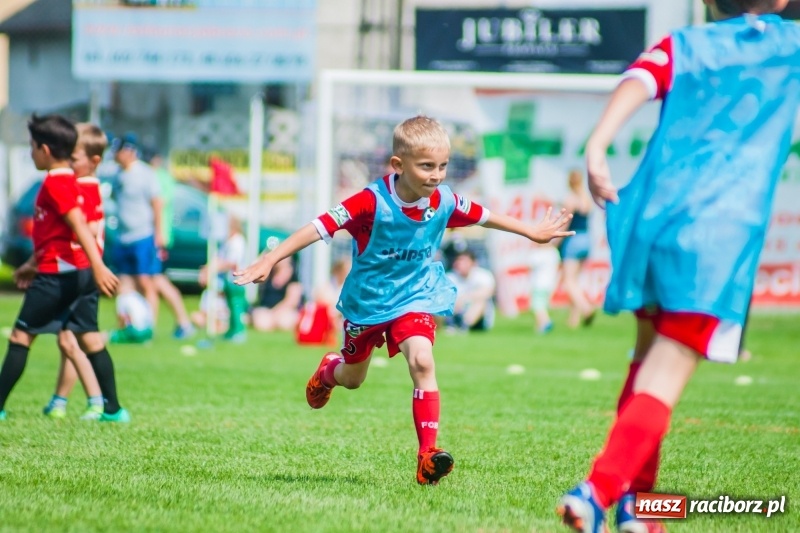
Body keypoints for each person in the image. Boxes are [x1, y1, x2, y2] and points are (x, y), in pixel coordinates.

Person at [557, 2, 800, 532]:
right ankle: (596, 490)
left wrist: (597, 147)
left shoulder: (687, 44)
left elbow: (639, 79)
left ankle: (641, 512)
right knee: (665, 375)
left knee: (645, 359)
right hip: (717, 231)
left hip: (650, 214)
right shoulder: (790, 46)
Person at [234, 115, 573, 485]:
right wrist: (271, 258)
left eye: (442, 166)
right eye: (427, 166)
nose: (437, 175)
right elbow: (318, 227)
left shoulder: (443, 200)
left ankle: (427, 455)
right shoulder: (370, 201)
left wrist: (531, 231)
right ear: (398, 165)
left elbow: (485, 216)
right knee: (353, 378)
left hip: (415, 297)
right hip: (368, 303)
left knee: (423, 361)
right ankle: (329, 372)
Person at [0, 114, 128, 422]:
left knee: (21, 337)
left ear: (44, 149)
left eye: (31, 147)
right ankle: (113, 409)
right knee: (90, 338)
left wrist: (98, 266)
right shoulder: (68, 181)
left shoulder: (58, 183)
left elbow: (80, 226)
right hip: (76, 270)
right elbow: (59, 233)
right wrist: (32, 263)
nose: (30, 153)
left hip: (60, 273)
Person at [40, 123, 111, 420]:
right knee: (70, 339)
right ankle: (62, 400)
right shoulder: (82, 184)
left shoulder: (85, 187)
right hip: (76, 269)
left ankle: (97, 401)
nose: (69, 163)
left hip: (78, 270)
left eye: (74, 158)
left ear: (93, 161)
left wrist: (73, 223)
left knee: (73, 339)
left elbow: (91, 225)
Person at [111, 136, 194, 339]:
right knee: (129, 283)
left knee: (150, 281)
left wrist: (159, 235)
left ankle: (151, 327)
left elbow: (158, 204)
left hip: (145, 238)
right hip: (124, 239)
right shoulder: (118, 175)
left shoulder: (147, 174)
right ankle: (130, 326)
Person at [195, 215, 248, 341]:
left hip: (237, 280)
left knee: (236, 307)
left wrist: (214, 268)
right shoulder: (227, 242)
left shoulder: (237, 241)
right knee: (230, 306)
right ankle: (231, 330)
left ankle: (239, 331)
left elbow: (231, 262)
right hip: (228, 280)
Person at [560, 168, 596, 329]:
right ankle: (573, 320)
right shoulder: (586, 199)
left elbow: (565, 224)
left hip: (573, 240)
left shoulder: (570, 200)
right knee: (576, 281)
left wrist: (554, 240)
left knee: (569, 281)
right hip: (586, 239)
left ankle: (586, 308)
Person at [445, 250, 496, 333]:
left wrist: (465, 298)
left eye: (464, 261)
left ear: (473, 263)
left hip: (478, 318)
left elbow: (488, 292)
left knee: (481, 301)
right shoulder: (450, 277)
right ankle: (451, 325)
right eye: (458, 261)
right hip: (456, 311)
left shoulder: (483, 275)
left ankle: (464, 325)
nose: (461, 264)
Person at [250, 258, 303, 332]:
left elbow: (291, 301)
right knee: (261, 321)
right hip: (267, 309)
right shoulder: (268, 273)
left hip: (284, 311)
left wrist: (274, 313)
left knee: (284, 321)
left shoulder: (293, 277)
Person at [529, 241, 561, 334]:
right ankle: (539, 327)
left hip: (538, 284)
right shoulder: (554, 253)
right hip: (551, 284)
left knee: (537, 306)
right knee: (543, 304)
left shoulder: (538, 254)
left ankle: (545, 322)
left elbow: (529, 265)